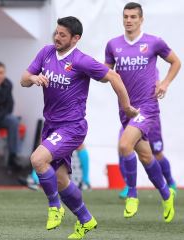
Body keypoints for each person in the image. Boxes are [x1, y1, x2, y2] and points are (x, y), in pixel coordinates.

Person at [21, 16, 138, 239]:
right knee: (61, 179)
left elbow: (113, 76)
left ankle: (55, 207)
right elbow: (24, 79)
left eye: (62, 35)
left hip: (72, 127)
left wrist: (127, 107)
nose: (57, 37)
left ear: (75, 39)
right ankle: (86, 220)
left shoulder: (81, 61)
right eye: (56, 32)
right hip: (51, 125)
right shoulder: (46, 52)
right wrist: (34, 78)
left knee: (37, 160)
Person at [105, 2, 180, 221]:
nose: (129, 20)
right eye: (126, 16)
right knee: (146, 156)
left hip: (146, 107)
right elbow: (106, 73)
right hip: (125, 109)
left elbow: (175, 62)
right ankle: (166, 195)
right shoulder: (113, 45)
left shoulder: (154, 42)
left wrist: (164, 83)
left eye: (133, 17)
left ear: (141, 19)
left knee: (124, 145)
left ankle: (132, 193)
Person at [118, 72, 177, 199]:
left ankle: (171, 182)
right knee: (123, 147)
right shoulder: (121, 59)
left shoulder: (149, 64)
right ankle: (129, 186)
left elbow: (157, 85)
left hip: (148, 116)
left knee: (156, 152)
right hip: (131, 115)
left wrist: (162, 86)